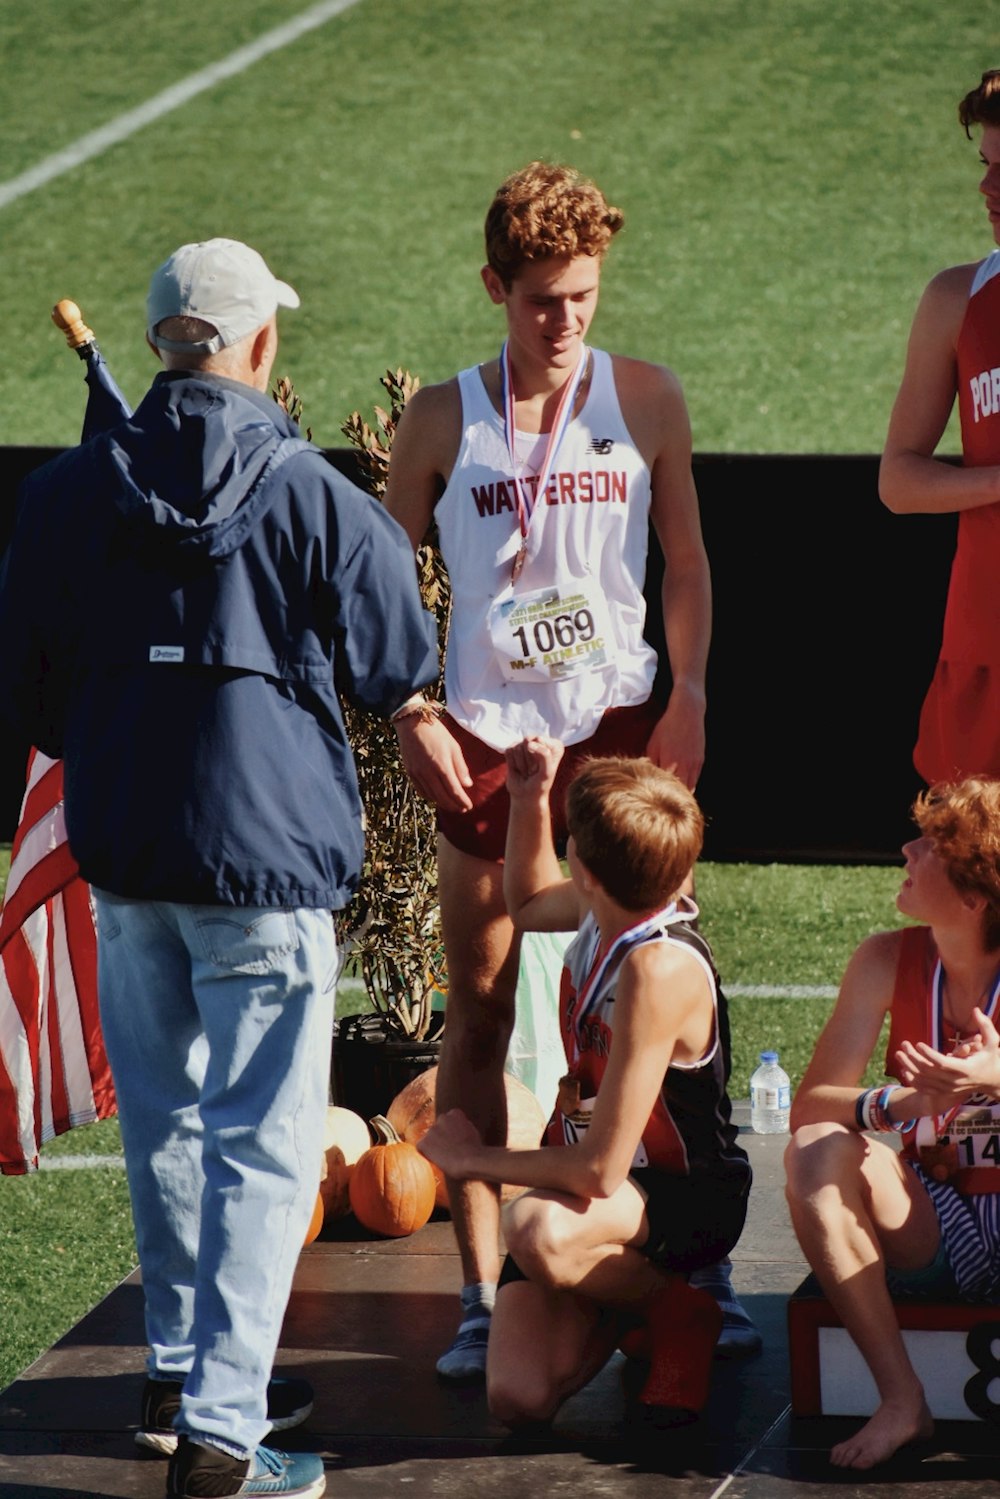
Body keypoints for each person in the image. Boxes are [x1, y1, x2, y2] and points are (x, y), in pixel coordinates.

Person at [0, 238, 438, 1499]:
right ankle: (224, 1430)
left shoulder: (63, 496)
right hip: (266, 861)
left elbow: (29, 695)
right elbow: (393, 653)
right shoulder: (309, 493)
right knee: (261, 1142)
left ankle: (184, 1378)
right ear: (258, 346)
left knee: (170, 1128)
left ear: (155, 349)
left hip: (128, 851)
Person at [384, 160, 757, 1377]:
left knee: (660, 989)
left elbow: (688, 563)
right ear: (494, 286)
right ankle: (482, 1292)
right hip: (492, 745)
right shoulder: (441, 417)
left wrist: (690, 691)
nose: (566, 322)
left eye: (584, 295)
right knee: (481, 1005)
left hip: (619, 735)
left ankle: (693, 1271)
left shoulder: (644, 396)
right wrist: (405, 704)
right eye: (542, 298)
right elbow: (380, 587)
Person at [418, 737, 752, 1424]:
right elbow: (527, 898)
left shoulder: (657, 968)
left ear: (589, 869)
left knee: (536, 1228)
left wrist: (471, 1159)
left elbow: (600, 1170)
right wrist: (528, 799)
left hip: (681, 1194)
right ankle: (629, 1308)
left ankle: (678, 1309)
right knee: (518, 1395)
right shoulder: (612, 905)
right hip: (605, 1193)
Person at [784, 778, 1000, 1470]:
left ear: (974, 898)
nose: (906, 848)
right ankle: (902, 1398)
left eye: (932, 844)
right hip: (934, 1220)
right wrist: (896, 1104)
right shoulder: (885, 958)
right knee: (816, 1150)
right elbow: (810, 1106)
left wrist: (990, 1077)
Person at [881, 70, 1000, 783]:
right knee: (971, 888)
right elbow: (899, 480)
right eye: (987, 167)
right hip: (983, 647)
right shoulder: (957, 298)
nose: (988, 190)